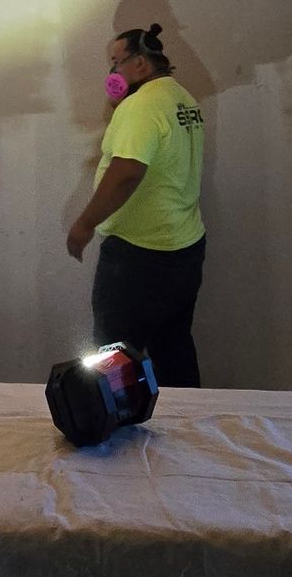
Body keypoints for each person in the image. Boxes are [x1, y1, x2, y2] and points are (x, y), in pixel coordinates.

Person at [66, 23, 207, 387]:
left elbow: (127, 172)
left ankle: (115, 420)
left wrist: (84, 224)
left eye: (116, 62)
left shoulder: (141, 106)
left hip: (138, 256)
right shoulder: (182, 98)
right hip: (184, 248)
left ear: (140, 63)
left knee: (114, 359)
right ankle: (187, 418)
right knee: (173, 348)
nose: (112, 72)